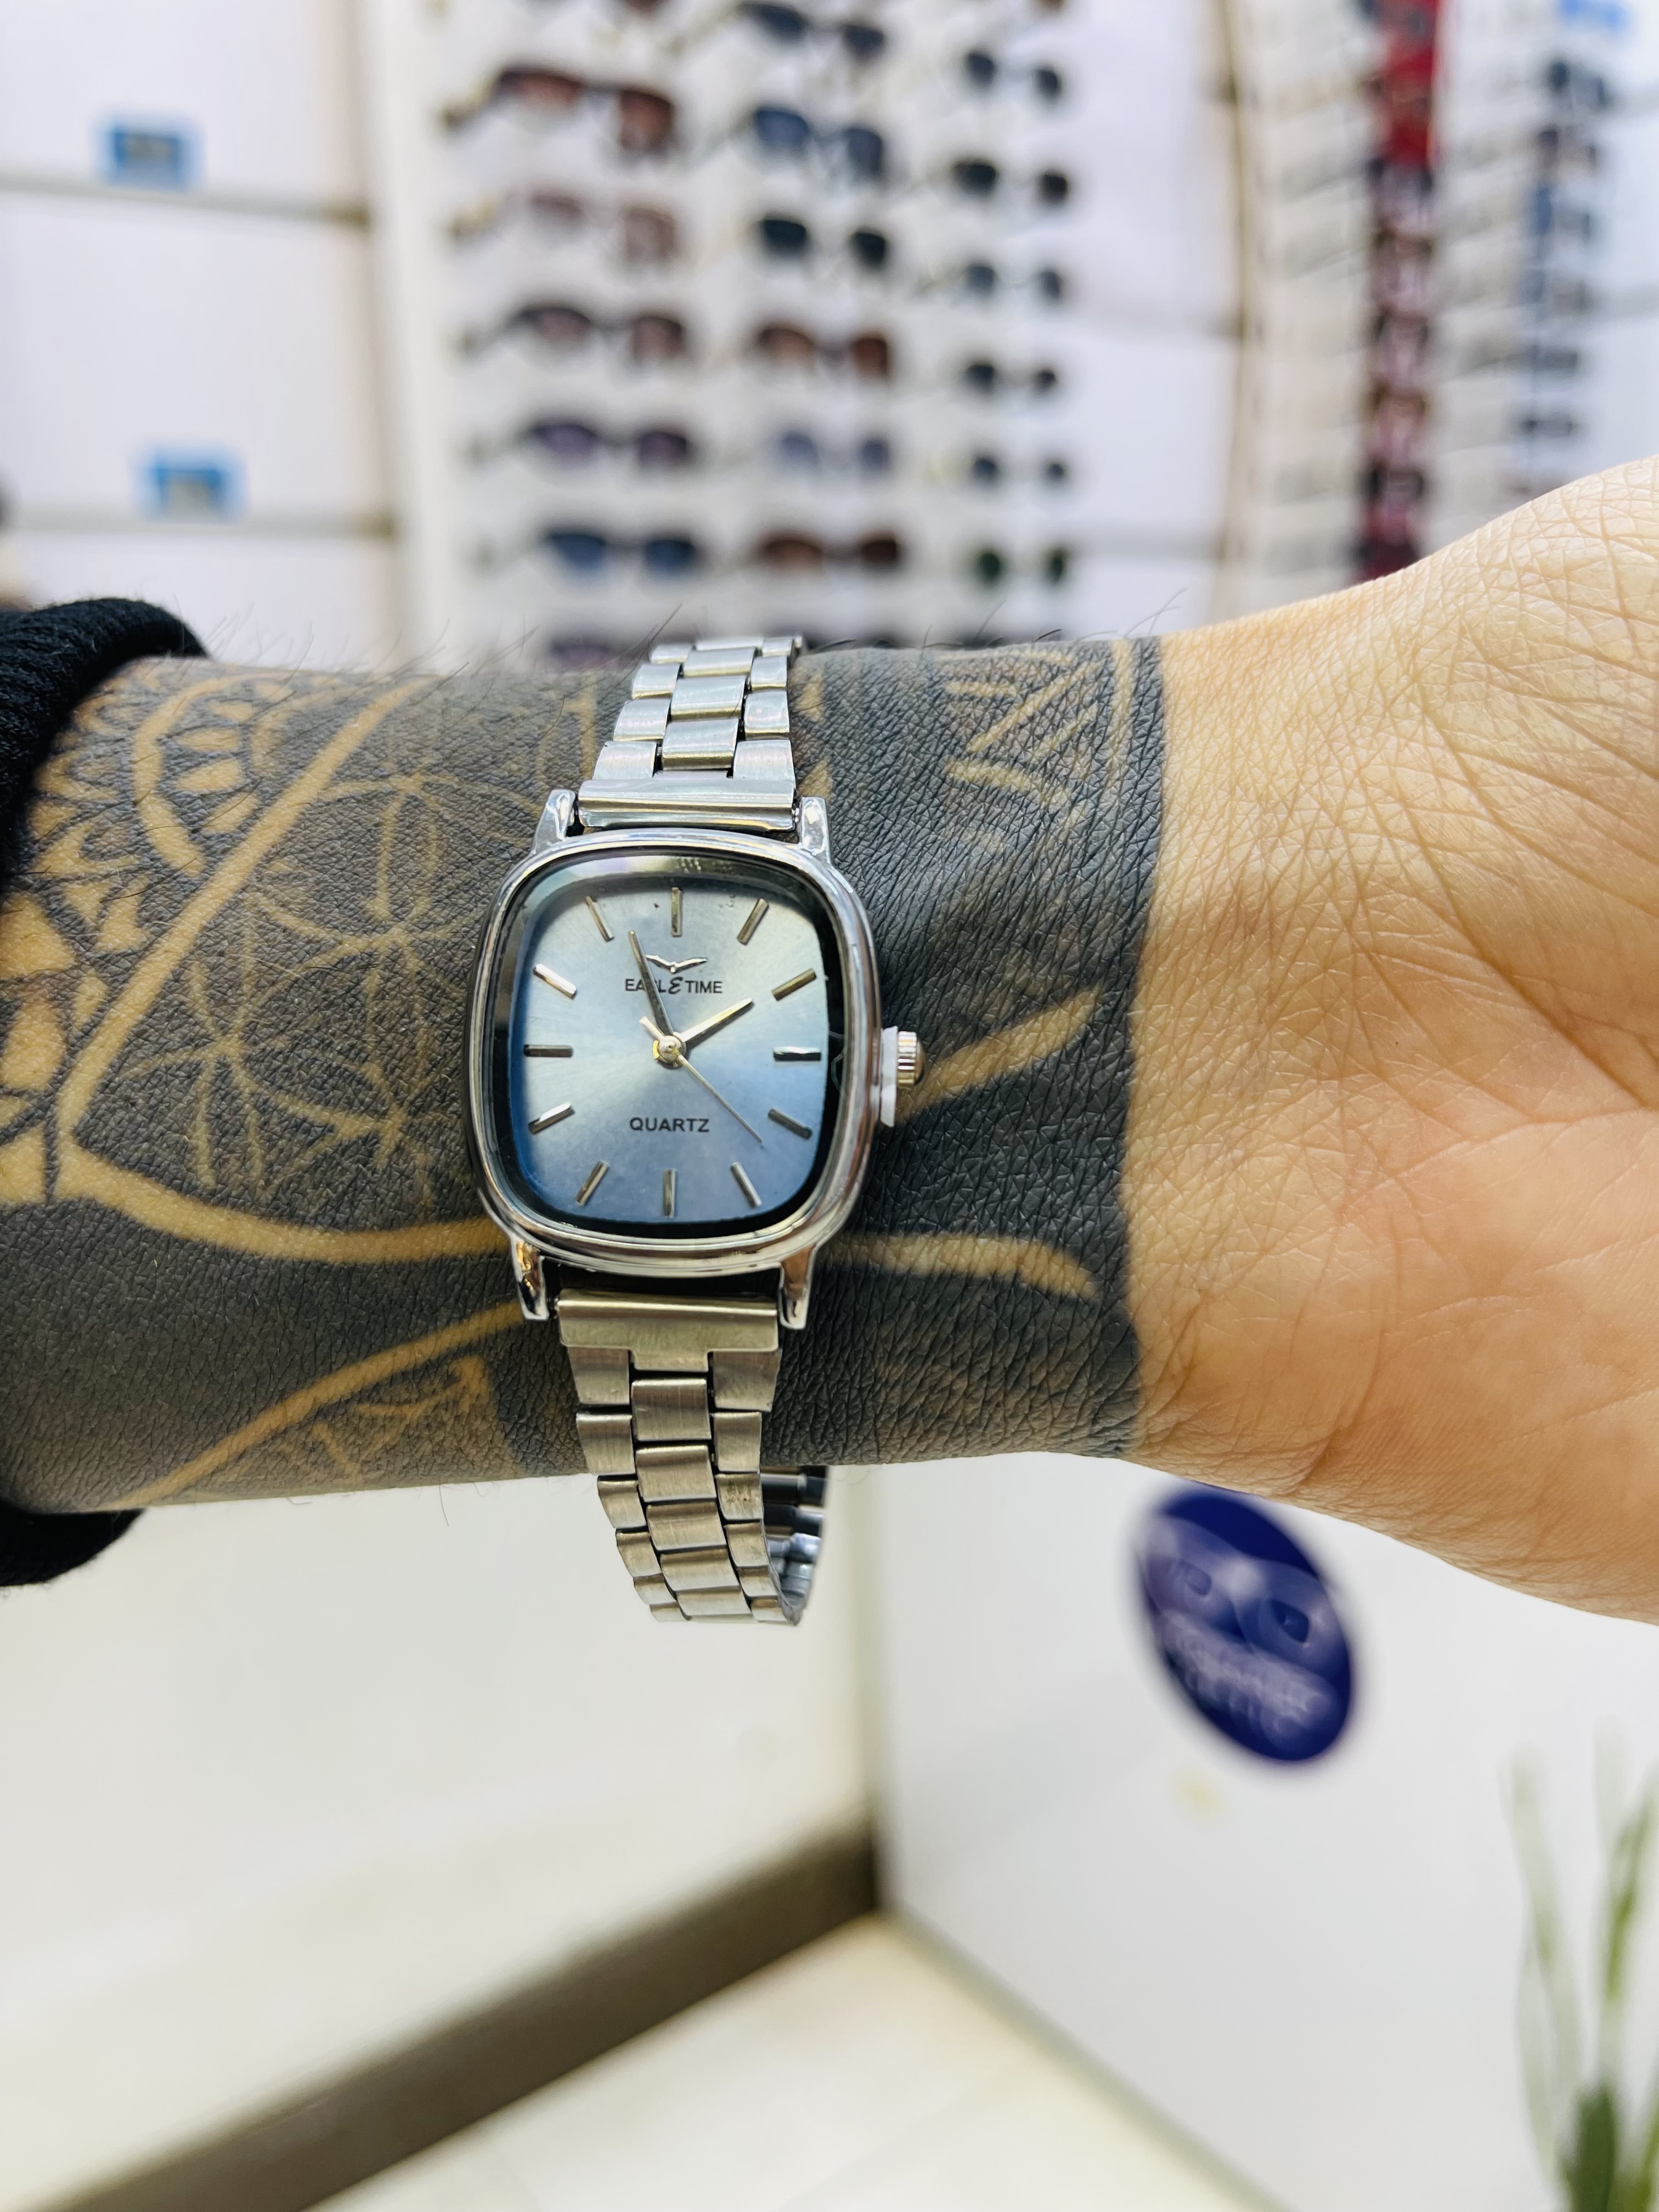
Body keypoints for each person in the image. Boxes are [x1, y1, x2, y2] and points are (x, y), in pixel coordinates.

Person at [4, 458, 1659, 1623]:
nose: (669, 1053)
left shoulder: (735, 1117)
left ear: (881, 1079)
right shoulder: (660, 1071)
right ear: (876, 1077)